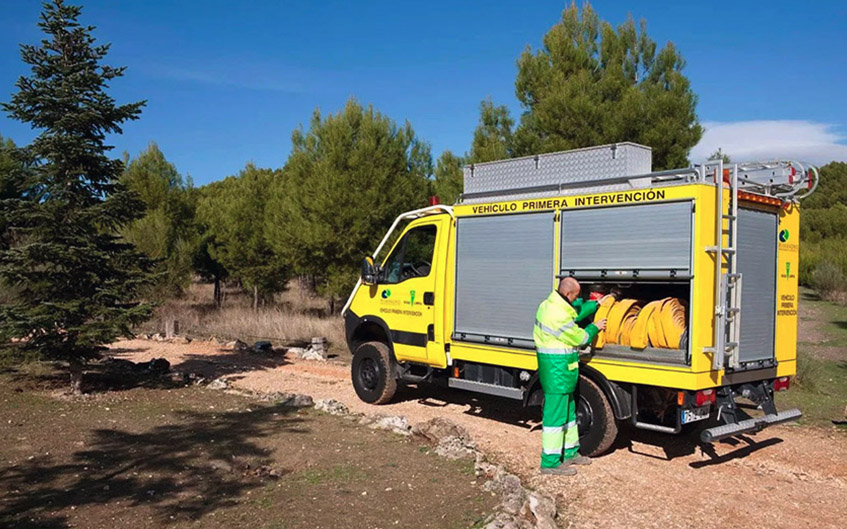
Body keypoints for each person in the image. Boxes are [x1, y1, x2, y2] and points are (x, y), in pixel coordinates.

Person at [533, 277, 609, 475]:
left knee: (568, 414)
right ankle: (550, 463)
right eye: (576, 296)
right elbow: (580, 337)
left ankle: (570, 452)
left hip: (563, 370)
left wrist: (595, 305)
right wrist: (595, 327)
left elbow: (573, 314)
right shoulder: (556, 314)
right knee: (555, 418)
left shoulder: (552, 305)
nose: (577, 299)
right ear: (567, 294)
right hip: (556, 371)